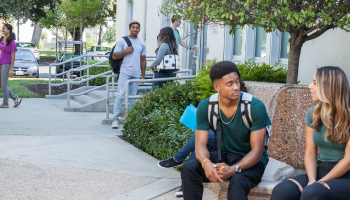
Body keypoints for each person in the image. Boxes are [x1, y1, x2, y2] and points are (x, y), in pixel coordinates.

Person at [181, 61, 271, 200]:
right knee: (189, 168)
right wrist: (206, 163)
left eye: (237, 82)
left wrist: (234, 169)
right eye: (230, 84)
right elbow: (200, 145)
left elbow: (258, 151)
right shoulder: (206, 106)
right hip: (222, 156)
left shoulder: (255, 107)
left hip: (250, 161)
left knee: (237, 181)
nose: (236, 87)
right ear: (217, 87)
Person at [270, 66, 350, 200]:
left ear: (328, 87)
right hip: (321, 170)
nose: (309, 86)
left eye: (314, 83)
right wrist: (312, 179)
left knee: (313, 192)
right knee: (282, 190)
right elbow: (310, 152)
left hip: (346, 176)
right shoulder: (313, 113)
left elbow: (348, 161)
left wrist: (318, 184)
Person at [158, 130, 216, 197]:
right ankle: (186, 185)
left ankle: (176, 159)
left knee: (199, 134)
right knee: (198, 146)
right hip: (217, 136)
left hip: (226, 138)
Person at [111, 21, 147, 129]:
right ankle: (115, 119)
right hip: (125, 72)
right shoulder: (123, 41)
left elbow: (143, 60)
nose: (135, 29)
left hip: (136, 74)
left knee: (132, 97)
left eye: (137, 28)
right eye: (133, 27)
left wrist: (143, 76)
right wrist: (126, 51)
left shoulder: (141, 43)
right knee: (120, 95)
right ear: (129, 28)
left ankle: (129, 119)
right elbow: (114, 56)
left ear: (139, 30)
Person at [0, 24, 21, 108]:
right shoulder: (1, 39)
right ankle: (14, 97)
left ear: (9, 30)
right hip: (1, 62)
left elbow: (13, 56)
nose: (2, 30)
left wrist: (11, 69)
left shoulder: (12, 42)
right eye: (2, 29)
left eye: (4, 28)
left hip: (7, 63)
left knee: (4, 84)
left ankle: (5, 103)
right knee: (1, 84)